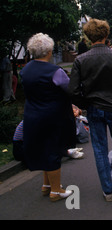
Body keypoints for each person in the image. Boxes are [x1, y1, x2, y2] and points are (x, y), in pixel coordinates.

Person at [68, 19, 112, 201]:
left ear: (89, 37)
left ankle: (107, 191)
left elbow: (73, 90)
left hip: (94, 108)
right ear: (106, 35)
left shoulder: (80, 60)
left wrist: (85, 104)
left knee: (99, 148)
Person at [20, 33, 76, 202]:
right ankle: (56, 191)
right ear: (49, 51)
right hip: (52, 116)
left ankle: (46, 186)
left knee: (43, 149)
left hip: (32, 115)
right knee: (53, 150)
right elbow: (70, 89)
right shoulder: (55, 71)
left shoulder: (25, 70)